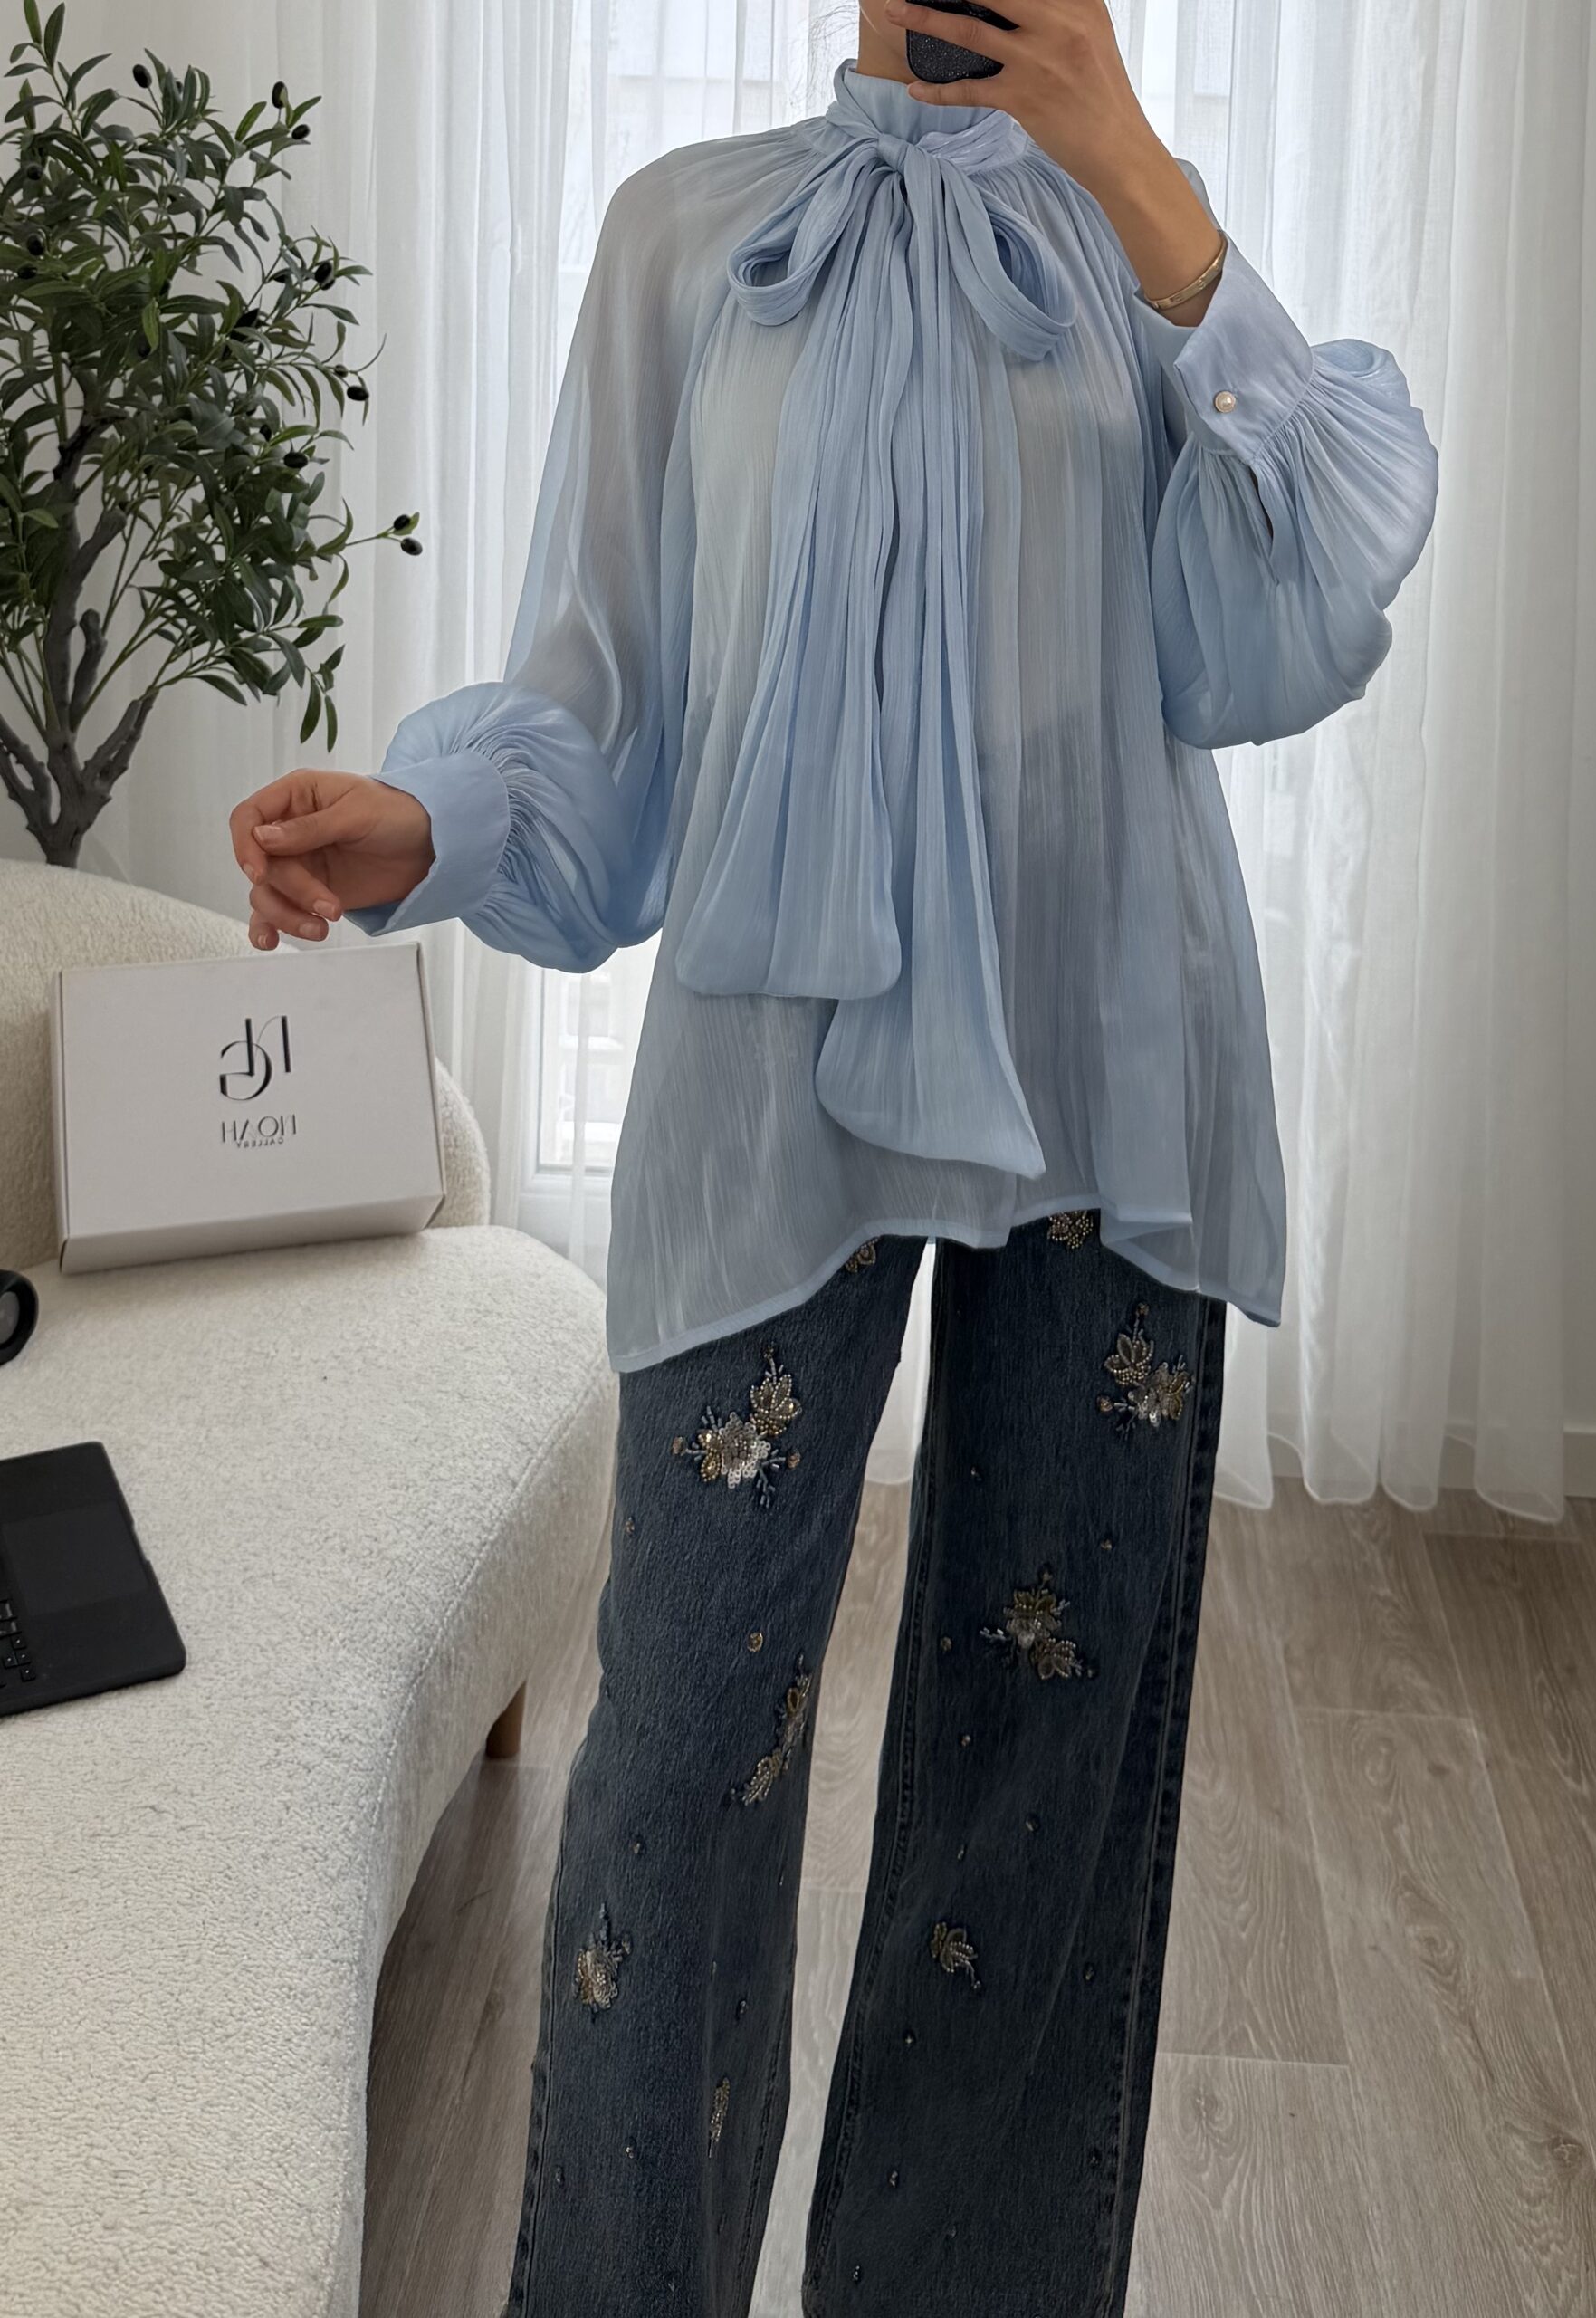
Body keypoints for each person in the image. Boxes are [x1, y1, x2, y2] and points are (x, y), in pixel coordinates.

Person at [230, 5, 1438, 2311]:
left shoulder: (1145, 238)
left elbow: (1286, 627)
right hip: (772, 1082)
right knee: (678, 1755)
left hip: (1114, 1068)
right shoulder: (688, 238)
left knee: (1039, 1770)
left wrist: (1140, 178)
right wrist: (427, 818)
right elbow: (604, 707)